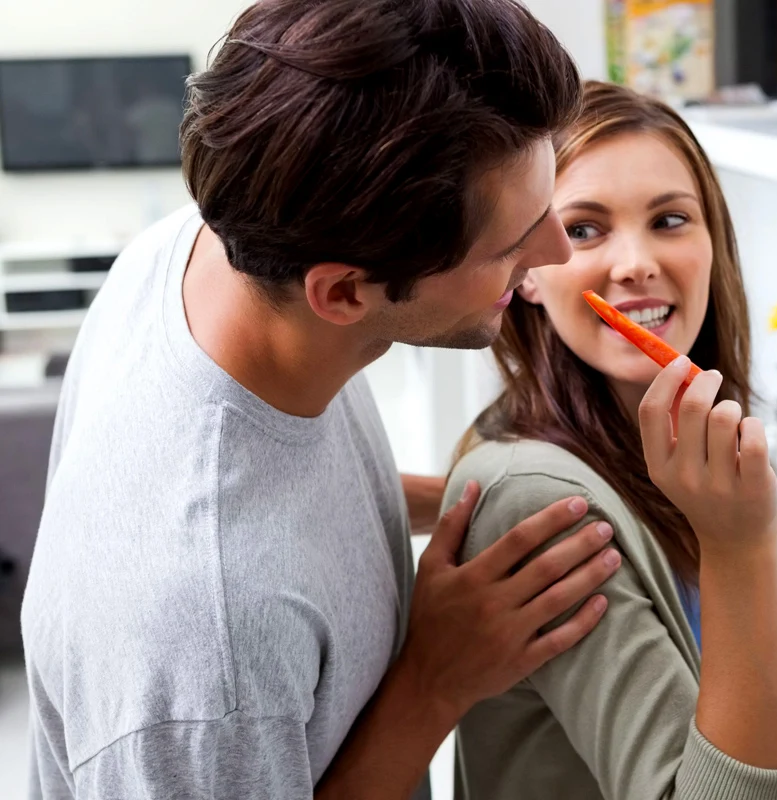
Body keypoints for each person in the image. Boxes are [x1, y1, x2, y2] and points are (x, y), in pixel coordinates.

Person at [21, 2, 623, 798]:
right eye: (513, 242)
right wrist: (433, 682)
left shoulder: (201, 249)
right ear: (342, 293)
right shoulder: (207, 654)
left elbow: (293, 496)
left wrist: (489, 503)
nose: (554, 250)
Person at [447, 81, 777, 799]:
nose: (635, 263)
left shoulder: (644, 451)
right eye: (586, 229)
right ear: (527, 273)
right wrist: (742, 545)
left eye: (669, 219)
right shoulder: (541, 498)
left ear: (711, 242)